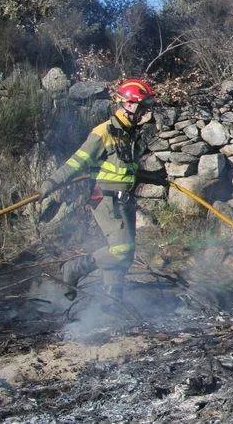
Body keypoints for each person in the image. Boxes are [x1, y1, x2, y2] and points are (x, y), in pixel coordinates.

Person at [36, 78, 160, 302]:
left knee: (125, 254)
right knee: (121, 249)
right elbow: (76, 162)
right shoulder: (103, 132)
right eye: (142, 106)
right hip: (106, 199)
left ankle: (113, 302)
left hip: (124, 200)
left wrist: (157, 179)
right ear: (128, 105)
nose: (145, 111)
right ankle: (74, 268)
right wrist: (50, 183)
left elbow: (125, 168)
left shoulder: (129, 132)